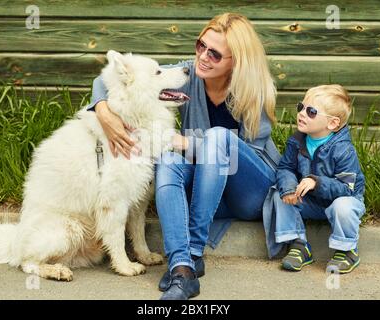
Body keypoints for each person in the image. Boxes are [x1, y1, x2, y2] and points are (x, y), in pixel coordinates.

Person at [86, 13, 280, 300]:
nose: (202, 57)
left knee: (216, 138)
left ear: (236, 61)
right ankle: (181, 268)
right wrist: (101, 110)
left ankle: (192, 251)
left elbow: (242, 156)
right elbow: (119, 77)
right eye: (200, 45)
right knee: (168, 160)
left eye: (214, 54)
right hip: (204, 186)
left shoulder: (255, 92)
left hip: (249, 192)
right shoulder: (189, 75)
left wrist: (185, 141)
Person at [266, 84, 365, 274]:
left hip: (340, 201)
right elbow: (286, 167)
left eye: (311, 111)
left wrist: (316, 182)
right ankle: (298, 244)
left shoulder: (343, 149)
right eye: (301, 107)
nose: (302, 113)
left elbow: (348, 187)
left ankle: (347, 251)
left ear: (333, 124)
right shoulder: (297, 141)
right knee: (279, 194)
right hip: (312, 202)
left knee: (343, 206)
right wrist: (288, 188)